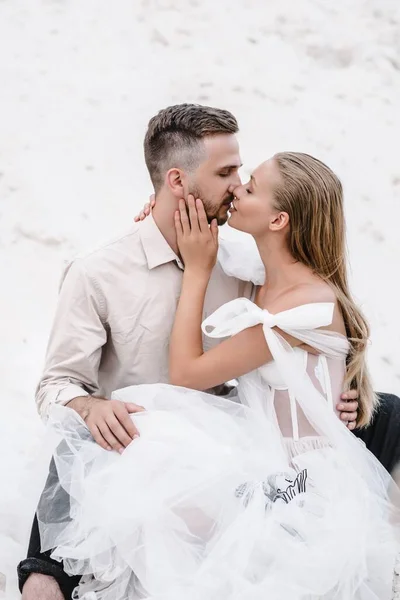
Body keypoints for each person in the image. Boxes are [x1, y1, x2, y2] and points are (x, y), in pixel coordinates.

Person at [17, 104, 362, 600]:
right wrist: (89, 405)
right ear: (177, 181)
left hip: (235, 447)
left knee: (387, 414)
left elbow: (314, 307)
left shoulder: (246, 259)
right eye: (226, 173)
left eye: (242, 173)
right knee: (45, 584)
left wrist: (342, 383)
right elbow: (55, 384)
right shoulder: (97, 273)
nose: (237, 185)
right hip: (128, 448)